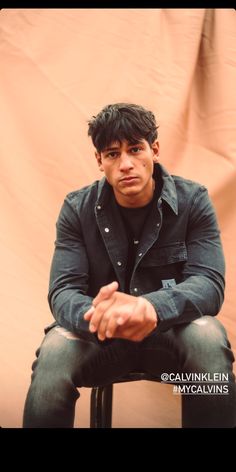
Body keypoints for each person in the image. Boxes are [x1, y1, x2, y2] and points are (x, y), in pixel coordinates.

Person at [23, 103, 236, 428]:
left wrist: (149, 308)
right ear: (99, 161)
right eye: (112, 154)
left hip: (169, 339)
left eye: (135, 149)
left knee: (208, 339)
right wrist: (104, 317)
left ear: (154, 149)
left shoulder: (193, 201)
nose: (125, 164)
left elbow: (209, 283)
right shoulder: (76, 209)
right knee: (54, 353)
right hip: (100, 339)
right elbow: (63, 290)